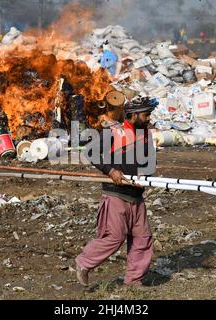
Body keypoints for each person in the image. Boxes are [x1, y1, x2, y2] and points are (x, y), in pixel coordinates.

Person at [75, 97, 158, 287]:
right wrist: (111, 171)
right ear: (133, 115)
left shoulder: (146, 135)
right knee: (114, 237)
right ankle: (84, 263)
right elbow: (90, 153)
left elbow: (150, 161)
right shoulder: (113, 132)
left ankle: (134, 281)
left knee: (142, 239)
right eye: (145, 115)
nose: (148, 119)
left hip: (136, 196)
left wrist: (144, 175)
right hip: (115, 195)